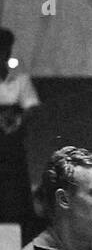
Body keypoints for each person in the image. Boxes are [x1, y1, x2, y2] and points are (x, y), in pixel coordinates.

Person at [0, 26, 39, 229]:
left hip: (11, 149)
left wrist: (16, 119)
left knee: (15, 201)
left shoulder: (19, 79)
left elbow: (30, 107)